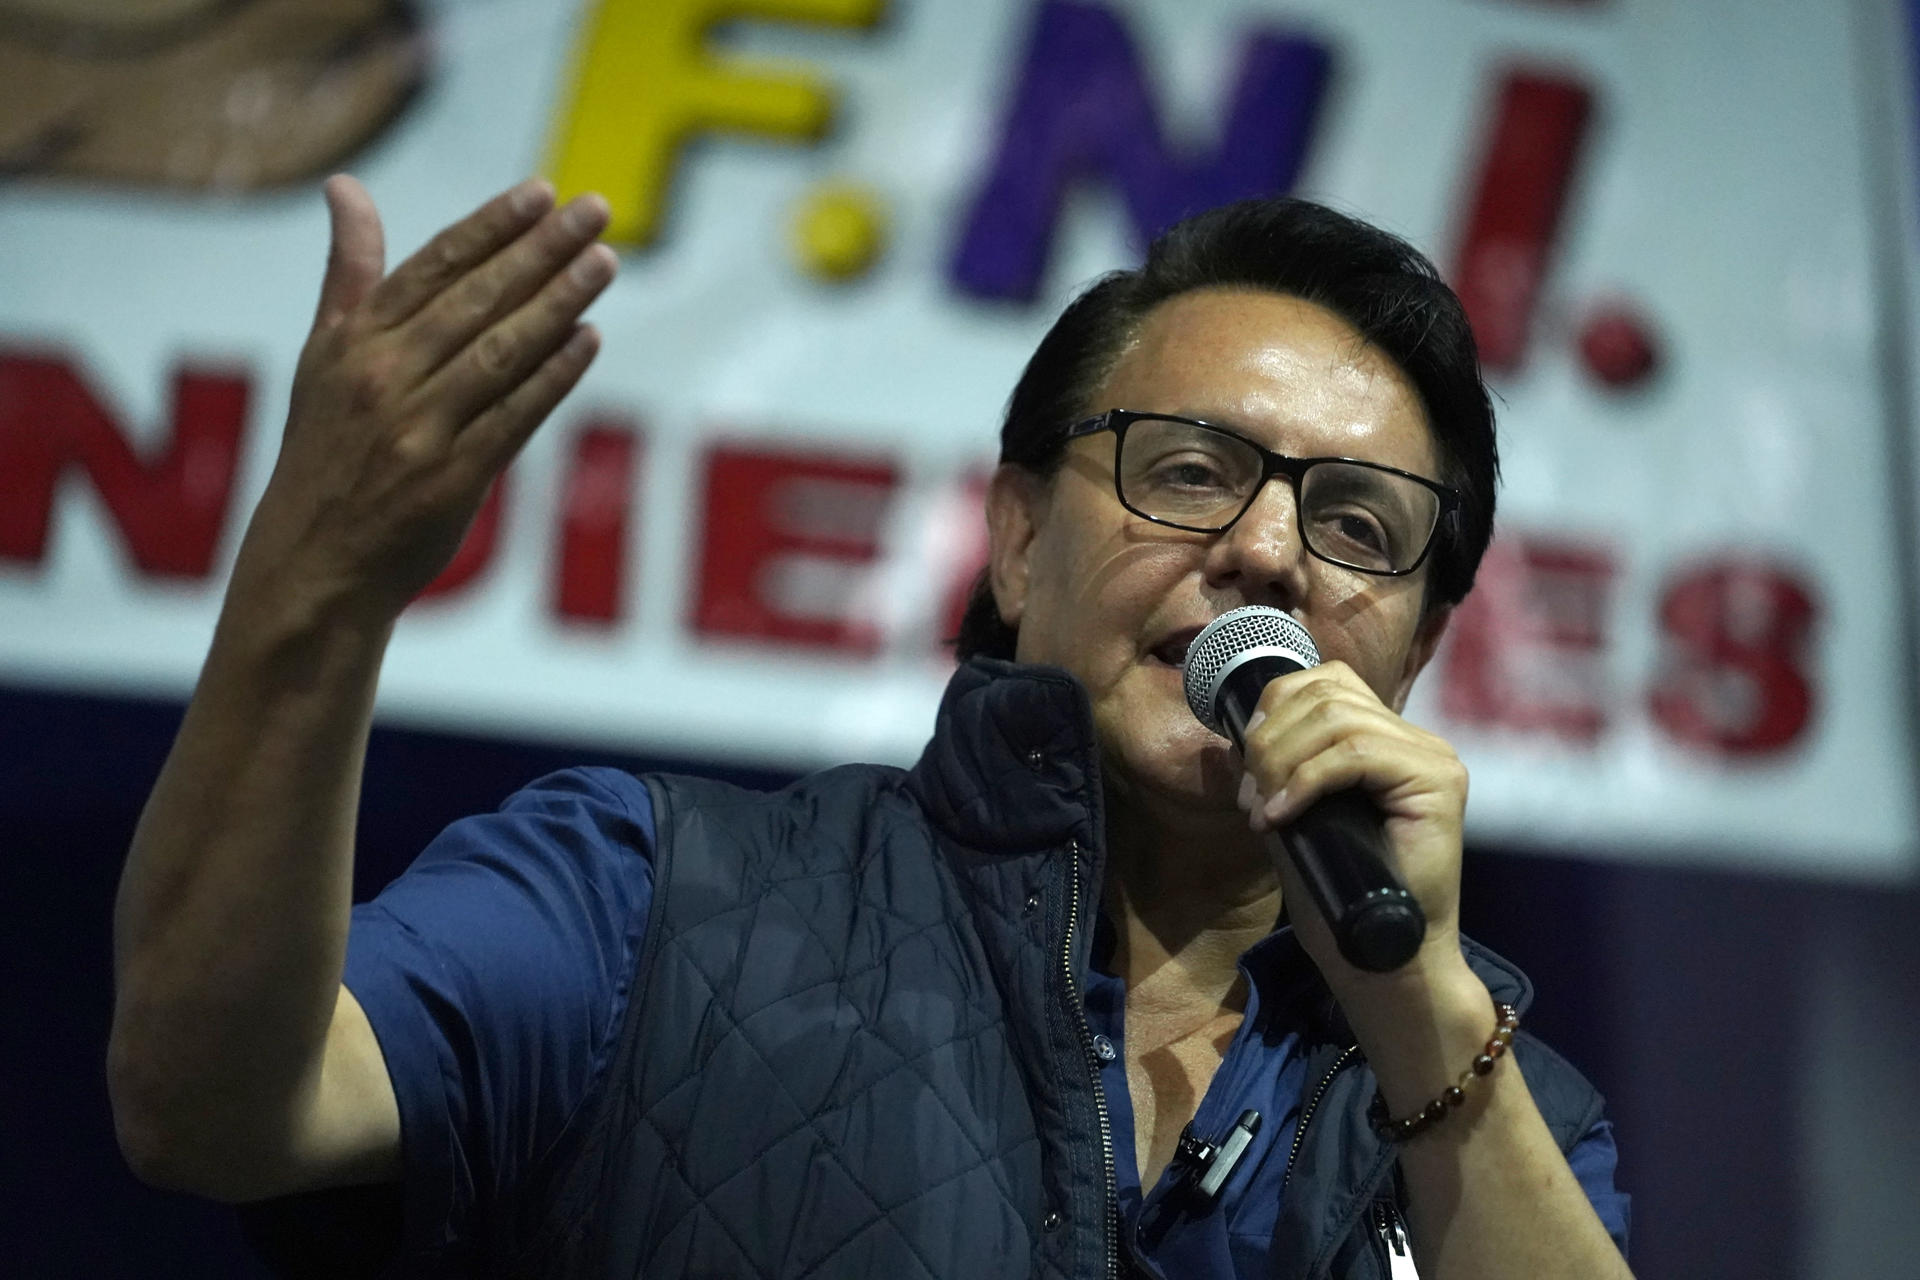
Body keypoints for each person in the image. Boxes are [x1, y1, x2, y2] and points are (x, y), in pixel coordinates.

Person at [107, 174, 1633, 1279]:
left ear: (1422, 644)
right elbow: (211, 1106)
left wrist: (1420, 1010)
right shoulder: (651, 895)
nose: (1270, 551)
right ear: (1017, 539)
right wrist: (315, 595)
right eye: (1188, 469)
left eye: (1358, 523)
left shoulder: (1512, 1109)